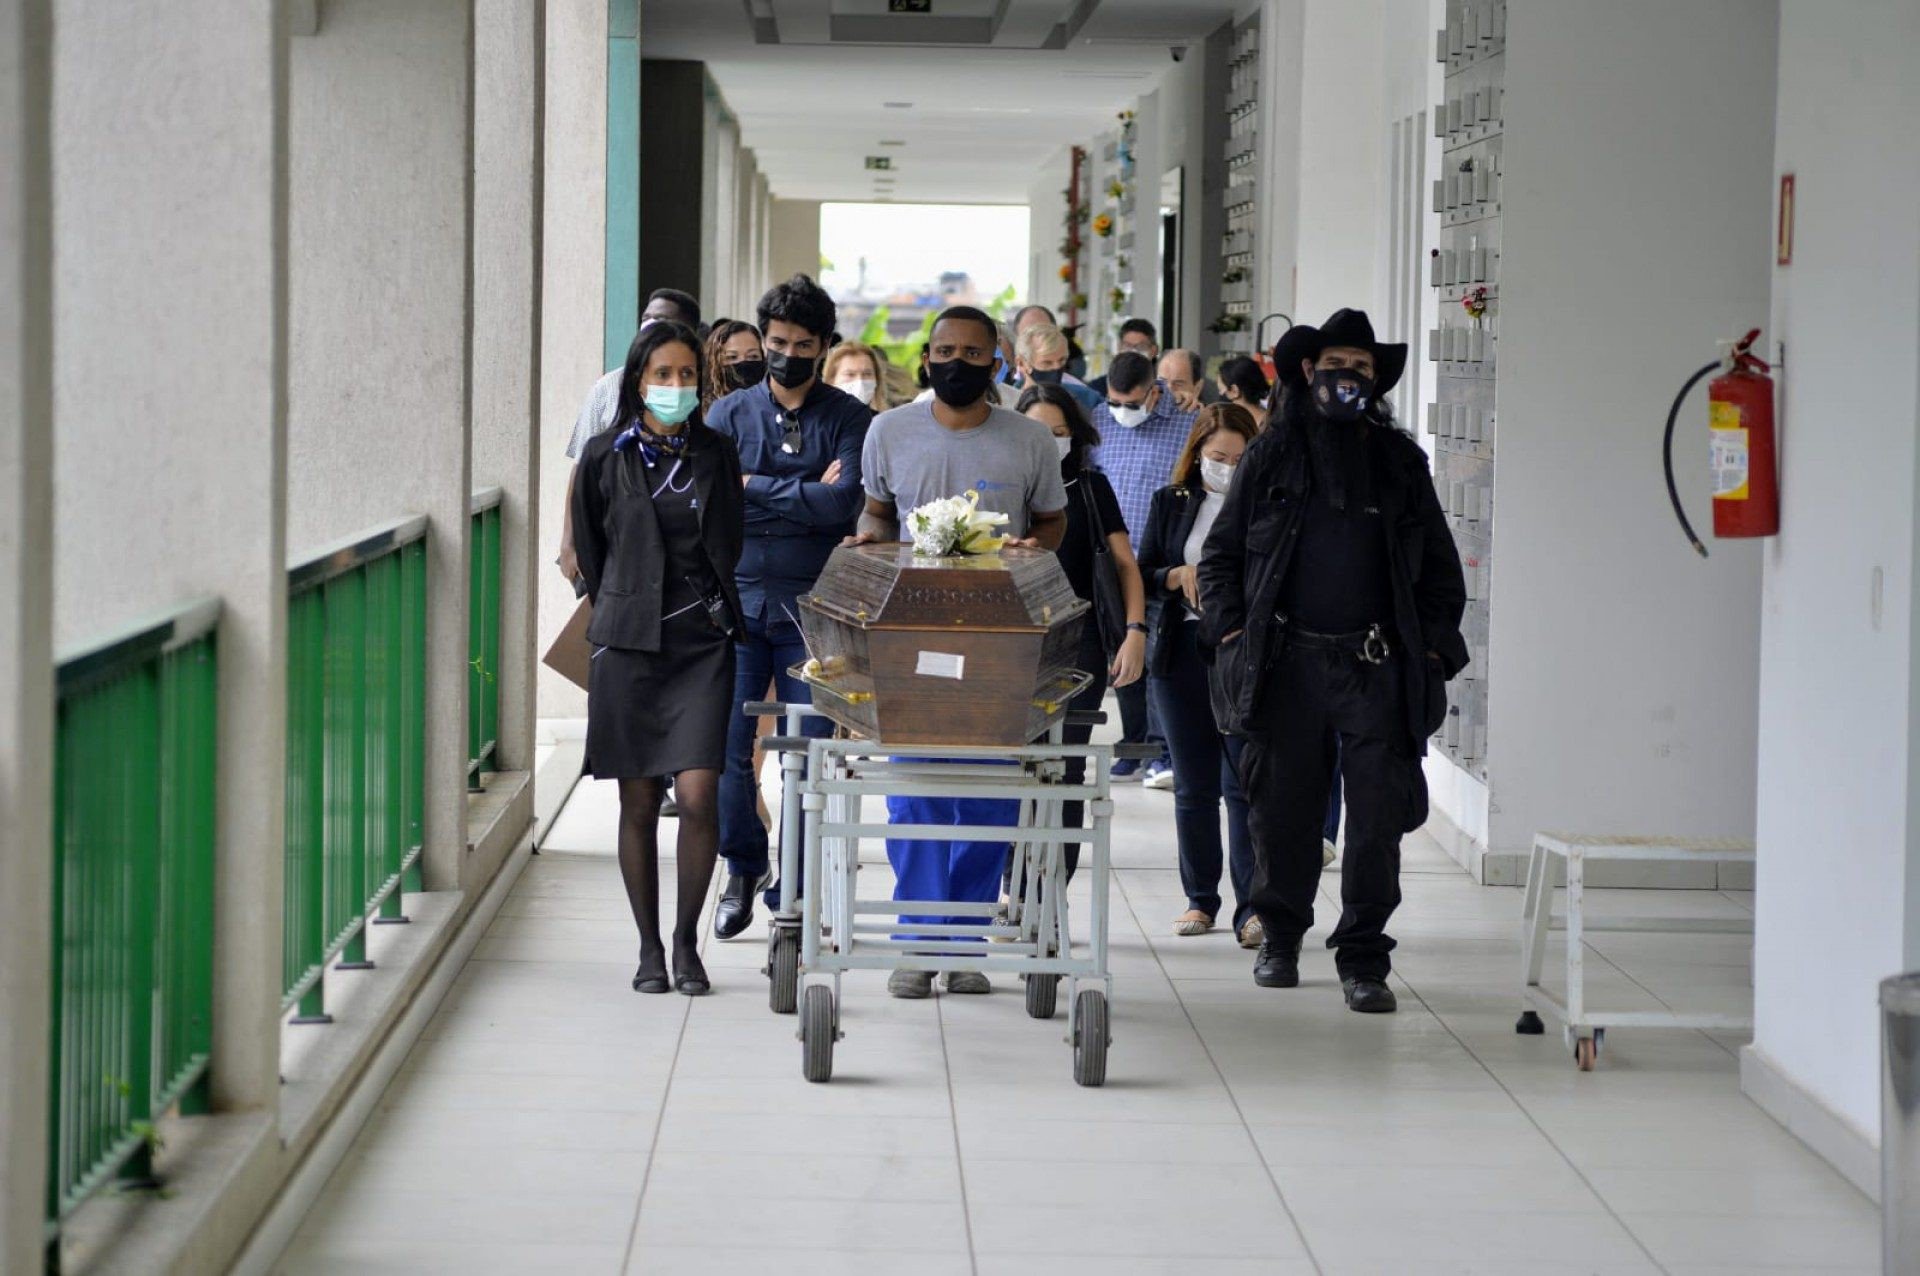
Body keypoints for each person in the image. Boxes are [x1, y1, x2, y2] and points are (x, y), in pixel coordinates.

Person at [1197, 308, 1467, 1014]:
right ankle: (1280, 936)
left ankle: (1364, 956)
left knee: (1377, 819)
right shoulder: (1271, 454)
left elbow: (1440, 570)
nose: (1345, 380)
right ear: (1308, 373)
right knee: (1281, 812)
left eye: (1361, 370)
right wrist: (1231, 634)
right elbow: (1221, 556)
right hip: (1286, 663)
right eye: (1334, 366)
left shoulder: (1400, 462)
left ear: (1374, 382)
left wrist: (1432, 650)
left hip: (1376, 666)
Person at [849, 305, 1068, 998]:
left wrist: (1035, 549)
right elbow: (876, 512)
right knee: (914, 791)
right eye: (945, 350)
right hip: (911, 638)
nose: (957, 363)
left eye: (973, 354)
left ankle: (965, 935)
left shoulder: (1030, 441)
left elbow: (1054, 519)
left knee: (986, 794)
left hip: (998, 640)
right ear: (926, 357)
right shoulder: (888, 432)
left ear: (997, 361)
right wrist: (867, 543)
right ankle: (918, 939)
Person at [570, 321, 744, 997]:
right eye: (662, 375)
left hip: (701, 642)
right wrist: (623, 599)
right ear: (638, 380)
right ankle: (648, 947)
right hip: (629, 646)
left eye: (686, 376)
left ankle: (686, 941)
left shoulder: (717, 452)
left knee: (700, 794)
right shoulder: (602, 456)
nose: (675, 388)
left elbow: (729, 537)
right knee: (638, 799)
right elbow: (589, 548)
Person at [706, 274, 870, 940]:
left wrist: (756, 485)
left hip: (816, 607)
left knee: (807, 754)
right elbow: (716, 500)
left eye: (803, 343)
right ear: (762, 338)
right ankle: (742, 866)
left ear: (823, 346)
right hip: (736, 605)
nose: (787, 353)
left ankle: (792, 896)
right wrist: (802, 489)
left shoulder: (851, 419)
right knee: (725, 752)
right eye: (777, 341)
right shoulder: (726, 416)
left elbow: (846, 504)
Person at [1138, 405, 1261, 944]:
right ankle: (1200, 899)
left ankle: (1252, 906)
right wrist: (1175, 574)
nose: (1227, 468)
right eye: (1217, 458)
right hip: (1181, 651)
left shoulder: (1264, 506)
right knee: (1193, 785)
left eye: (1238, 459)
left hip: (1241, 654)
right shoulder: (1173, 502)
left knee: (1243, 783)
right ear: (1197, 455)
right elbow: (1142, 570)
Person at [1015, 381, 1147, 881]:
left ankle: (1051, 893)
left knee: (1065, 768)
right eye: (1035, 432)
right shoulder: (1006, 489)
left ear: (1076, 434)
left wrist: (1135, 631)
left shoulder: (1091, 488)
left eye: (1059, 431)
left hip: (1080, 644)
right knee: (1014, 768)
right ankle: (1013, 883)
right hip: (1012, 647)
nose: (1049, 441)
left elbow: (1125, 565)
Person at [1091, 349, 1197, 789]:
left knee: (1157, 655)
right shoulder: (1099, 420)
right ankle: (1134, 743)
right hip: (1111, 562)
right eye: (1115, 402)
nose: (1122, 412)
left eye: (1131, 404)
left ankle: (1161, 750)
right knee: (1123, 658)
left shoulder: (1188, 422)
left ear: (1155, 391)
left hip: (1159, 560)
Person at [1015, 322, 1101, 414]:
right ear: (1022, 364)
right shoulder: (1005, 402)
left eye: (1062, 360)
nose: (1057, 367)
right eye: (1047, 363)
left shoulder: (1088, 399)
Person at [1087, 317, 1160, 398]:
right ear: (1119, 348)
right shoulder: (1099, 388)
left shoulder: (1164, 388)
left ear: (1154, 350)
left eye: (1141, 347)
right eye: (1128, 346)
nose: (1133, 351)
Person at [702, 319, 765, 408]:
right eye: (732, 357)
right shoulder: (701, 411)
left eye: (753, 356)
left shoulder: (773, 407)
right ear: (715, 362)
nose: (743, 362)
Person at [822, 339, 891, 413]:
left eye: (867, 374)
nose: (860, 381)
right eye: (850, 374)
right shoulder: (817, 421)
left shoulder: (883, 421)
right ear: (831, 380)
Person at [1217, 355, 1274, 430]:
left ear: (1235, 391)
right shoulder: (1272, 420)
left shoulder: (1265, 428)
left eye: (1221, 390)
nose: (1220, 394)